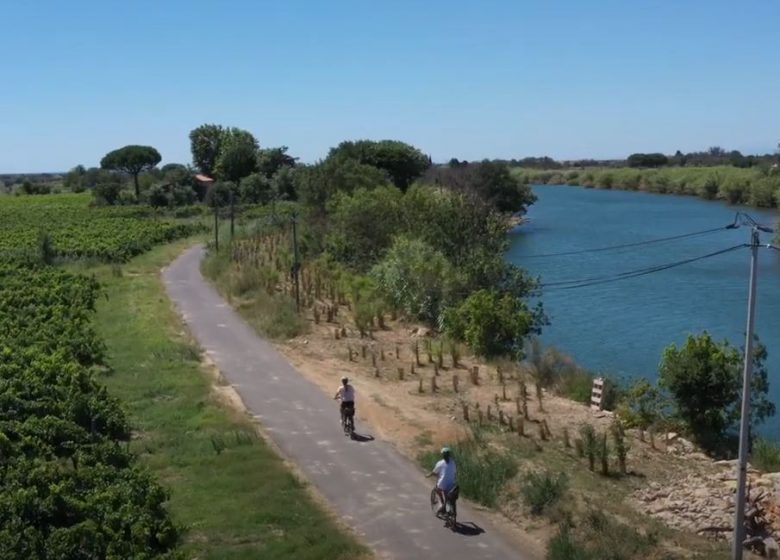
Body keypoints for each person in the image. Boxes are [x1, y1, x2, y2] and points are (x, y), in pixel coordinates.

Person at [426, 447, 457, 514]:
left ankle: (442, 505)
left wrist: (428, 475)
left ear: (443, 455)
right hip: (452, 484)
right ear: (449, 455)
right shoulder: (453, 462)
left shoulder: (440, 463)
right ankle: (447, 507)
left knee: (437, 489)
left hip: (442, 484)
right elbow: (454, 472)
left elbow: (434, 472)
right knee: (449, 496)